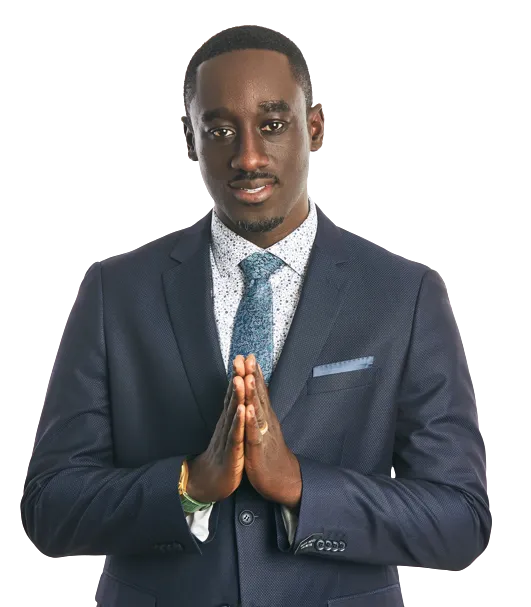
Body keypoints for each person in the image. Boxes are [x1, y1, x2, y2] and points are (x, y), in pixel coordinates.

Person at [21, 25, 490, 607]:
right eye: (220, 130)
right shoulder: (116, 294)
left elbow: (460, 523)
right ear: (190, 141)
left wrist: (299, 485)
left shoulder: (404, 296)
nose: (247, 156)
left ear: (314, 126)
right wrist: (189, 485)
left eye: (271, 124)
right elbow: (50, 509)